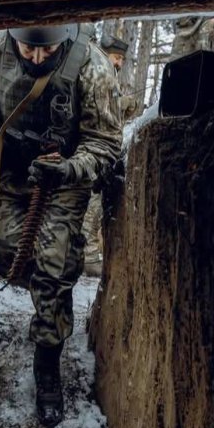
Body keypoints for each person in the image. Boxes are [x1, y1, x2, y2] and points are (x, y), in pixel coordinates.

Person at [0, 24, 122, 427]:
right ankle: (50, 296)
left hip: (65, 178)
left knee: (54, 263)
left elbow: (106, 141)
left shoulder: (92, 64)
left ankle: (47, 361)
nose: (37, 58)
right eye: (28, 50)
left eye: (47, 51)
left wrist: (71, 168)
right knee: (8, 253)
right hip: (8, 174)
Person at [80, 34, 132, 277]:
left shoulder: (112, 76)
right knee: (89, 208)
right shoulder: (96, 71)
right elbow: (97, 110)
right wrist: (122, 105)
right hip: (89, 153)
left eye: (121, 58)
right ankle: (88, 258)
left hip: (104, 154)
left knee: (95, 208)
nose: (119, 62)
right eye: (116, 57)